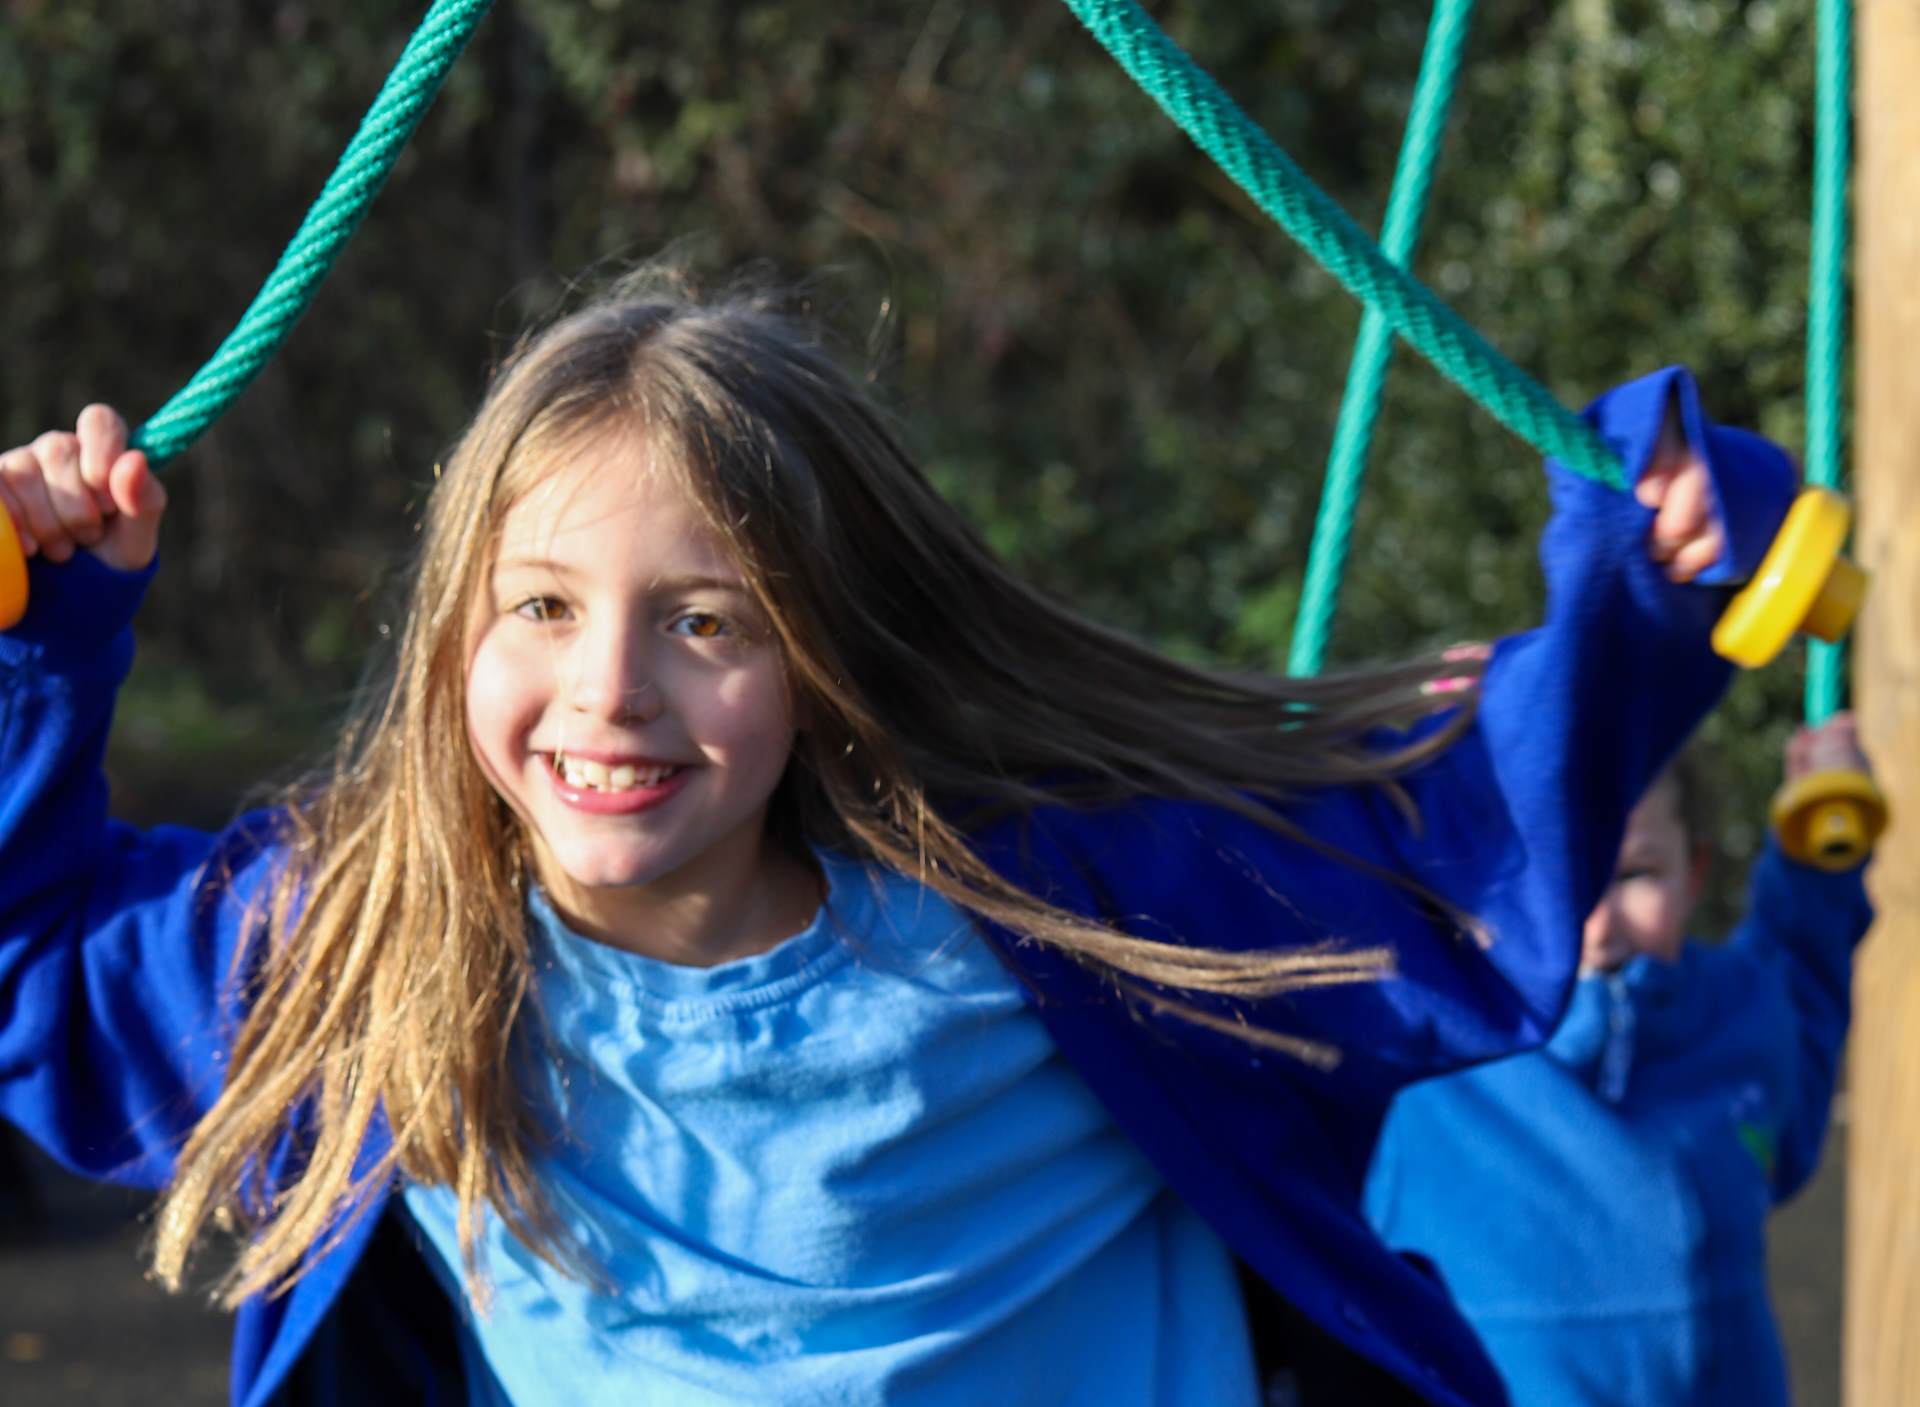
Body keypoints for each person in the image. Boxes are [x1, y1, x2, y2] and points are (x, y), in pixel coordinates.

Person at [0, 263, 1800, 1407]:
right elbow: (35, 965)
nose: (608, 689)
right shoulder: (373, 950)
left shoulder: (1065, 917)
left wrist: (1655, 569)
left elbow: (1472, 847)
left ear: (823, 652)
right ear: (454, 628)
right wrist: (36, 643)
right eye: (538, 606)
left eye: (705, 620)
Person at [1364, 718, 1875, 1406]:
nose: (1600, 925)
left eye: (1635, 874)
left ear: (1694, 873)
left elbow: (1805, 966)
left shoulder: (1737, 1023)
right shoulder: (1422, 1059)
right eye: (1560, 886)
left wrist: (1822, 849)